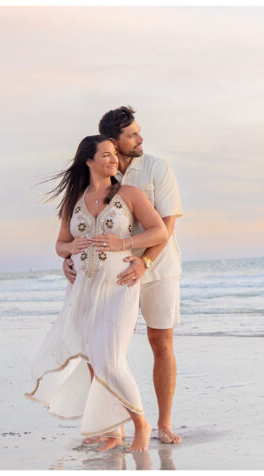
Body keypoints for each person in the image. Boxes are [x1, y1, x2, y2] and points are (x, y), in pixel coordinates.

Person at [27, 135, 167, 453]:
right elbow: (60, 243)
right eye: (105, 155)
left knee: (112, 359)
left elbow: (159, 230)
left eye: (115, 154)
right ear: (89, 161)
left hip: (120, 285)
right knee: (94, 359)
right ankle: (113, 431)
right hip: (82, 291)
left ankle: (141, 425)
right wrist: (69, 251)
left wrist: (127, 244)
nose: (113, 159)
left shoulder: (129, 194)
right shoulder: (74, 201)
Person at [64, 106, 185, 444]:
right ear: (113, 143)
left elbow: (167, 224)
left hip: (157, 268)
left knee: (160, 342)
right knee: (100, 348)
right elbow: (78, 226)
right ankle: (112, 426)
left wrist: (144, 262)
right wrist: (69, 256)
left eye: (138, 131)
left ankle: (163, 424)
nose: (140, 138)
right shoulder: (105, 168)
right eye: (132, 134)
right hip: (111, 274)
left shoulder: (157, 167)